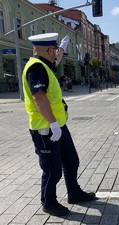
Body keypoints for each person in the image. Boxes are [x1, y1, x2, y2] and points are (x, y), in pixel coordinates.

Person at [22, 33, 96, 217]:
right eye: (54, 49)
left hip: (58, 126)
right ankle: (49, 202)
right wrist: (53, 124)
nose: (57, 53)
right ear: (48, 50)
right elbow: (38, 97)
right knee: (52, 169)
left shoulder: (45, 64)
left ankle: (74, 193)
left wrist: (62, 47)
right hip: (45, 128)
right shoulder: (36, 69)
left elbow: (56, 60)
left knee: (71, 161)